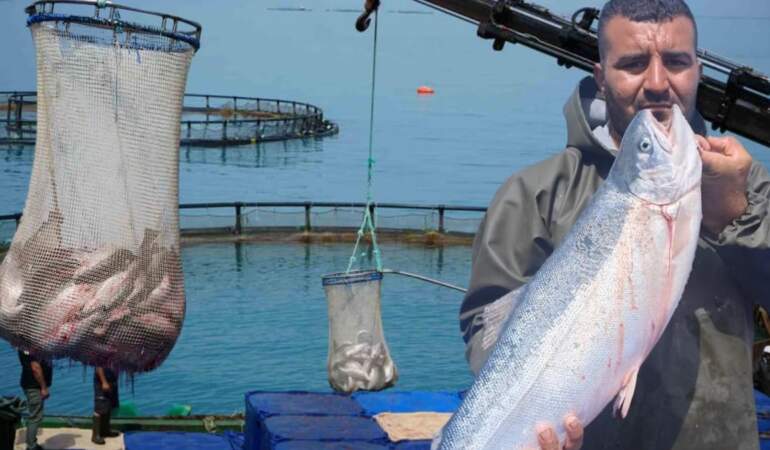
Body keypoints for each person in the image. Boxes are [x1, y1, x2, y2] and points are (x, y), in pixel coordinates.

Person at [459, 0, 770, 449]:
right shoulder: (534, 194)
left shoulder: (746, 183)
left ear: (698, 70)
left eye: (677, 63)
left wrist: (735, 217)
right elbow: (487, 329)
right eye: (634, 64)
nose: (658, 83)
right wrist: (538, 415)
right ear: (602, 77)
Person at [18, 350, 52, 450]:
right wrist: (44, 387)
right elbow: (35, 368)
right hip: (34, 387)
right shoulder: (28, 347)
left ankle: (32, 444)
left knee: (35, 415)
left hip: (31, 384)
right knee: (35, 416)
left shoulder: (23, 345)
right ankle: (31, 446)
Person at [91, 367, 120, 445]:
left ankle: (105, 431)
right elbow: (98, 366)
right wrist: (104, 381)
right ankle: (95, 436)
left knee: (109, 405)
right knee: (100, 407)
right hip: (102, 381)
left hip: (112, 379)